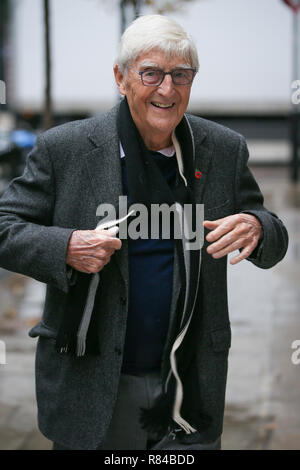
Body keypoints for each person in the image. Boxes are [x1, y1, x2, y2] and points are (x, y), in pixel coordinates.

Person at [0, 15, 288, 451]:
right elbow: (5, 227)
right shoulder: (66, 149)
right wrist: (65, 247)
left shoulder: (223, 149)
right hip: (95, 378)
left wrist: (257, 227)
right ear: (121, 77)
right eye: (150, 73)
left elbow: (272, 237)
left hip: (190, 382)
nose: (167, 90)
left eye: (180, 75)